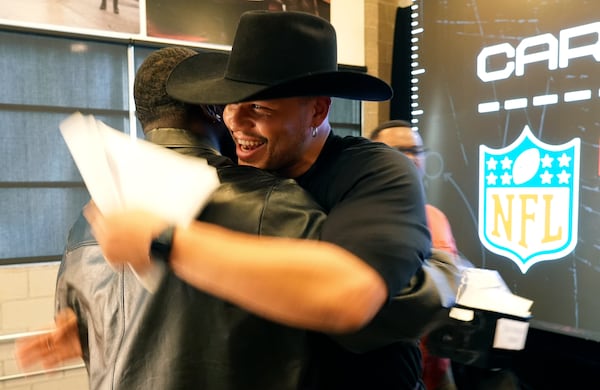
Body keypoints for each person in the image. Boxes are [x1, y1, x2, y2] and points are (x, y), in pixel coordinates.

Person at [86, 11, 432, 389]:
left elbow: (349, 294)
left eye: (260, 108)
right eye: (230, 103)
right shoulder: (232, 171)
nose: (236, 121)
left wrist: (167, 238)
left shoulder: (376, 172)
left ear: (318, 109)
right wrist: (97, 316)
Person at [15, 46, 338, 389]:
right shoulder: (277, 202)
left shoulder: (88, 222)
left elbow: (87, 335)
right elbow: (346, 314)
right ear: (214, 107)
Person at [370, 119, 458, 390]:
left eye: (415, 151)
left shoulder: (435, 217)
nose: (409, 159)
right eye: (398, 151)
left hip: (438, 367)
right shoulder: (358, 219)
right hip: (388, 373)